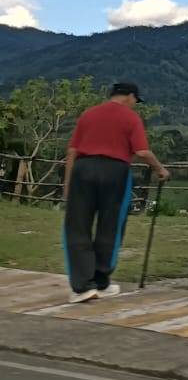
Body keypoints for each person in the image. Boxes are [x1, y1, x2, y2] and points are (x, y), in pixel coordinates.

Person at [62, 81, 169, 304]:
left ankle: (82, 286)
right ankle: (101, 281)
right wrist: (160, 169)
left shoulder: (88, 115)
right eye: (135, 101)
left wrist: (68, 184)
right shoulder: (131, 118)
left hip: (84, 169)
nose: (134, 105)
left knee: (77, 226)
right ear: (130, 96)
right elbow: (141, 151)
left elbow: (72, 150)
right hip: (115, 171)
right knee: (111, 225)